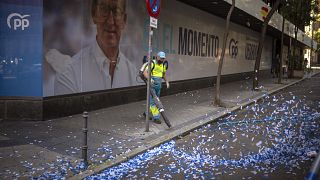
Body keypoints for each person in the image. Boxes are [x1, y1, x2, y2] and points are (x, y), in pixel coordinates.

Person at [54, 0, 137, 95]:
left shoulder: (133, 76)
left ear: (124, 20)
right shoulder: (69, 75)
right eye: (103, 10)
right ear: (94, 14)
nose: (110, 21)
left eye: (116, 12)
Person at [143, 51, 170, 124]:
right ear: (157, 57)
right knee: (154, 102)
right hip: (152, 85)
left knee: (155, 100)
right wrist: (150, 79)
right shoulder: (152, 63)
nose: (162, 60)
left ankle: (146, 113)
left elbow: (163, 74)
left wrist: (166, 81)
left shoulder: (162, 65)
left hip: (158, 86)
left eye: (163, 59)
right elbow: (145, 72)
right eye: (161, 58)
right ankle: (156, 117)